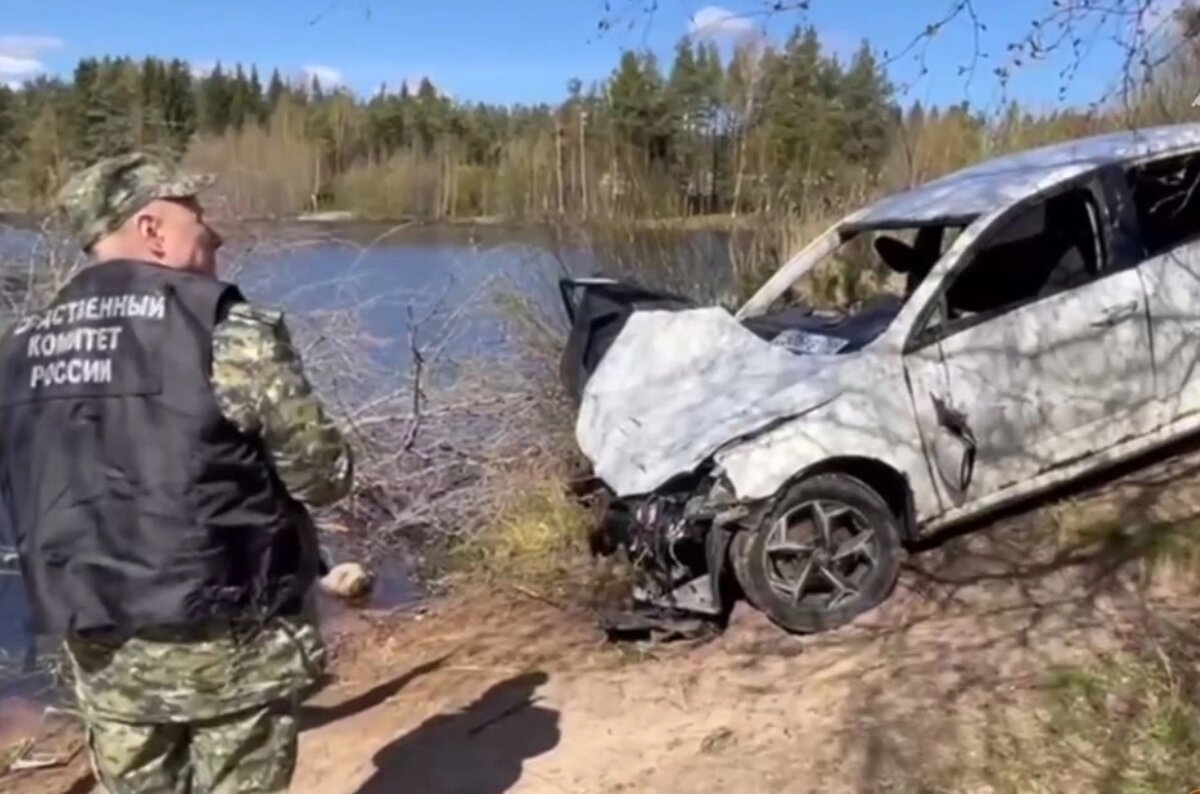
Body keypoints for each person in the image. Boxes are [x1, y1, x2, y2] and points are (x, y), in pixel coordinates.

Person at [0, 151, 354, 793]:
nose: (212, 233)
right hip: (232, 641)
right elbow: (322, 475)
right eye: (196, 215)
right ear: (152, 229)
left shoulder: (22, 348)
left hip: (103, 647)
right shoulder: (225, 330)